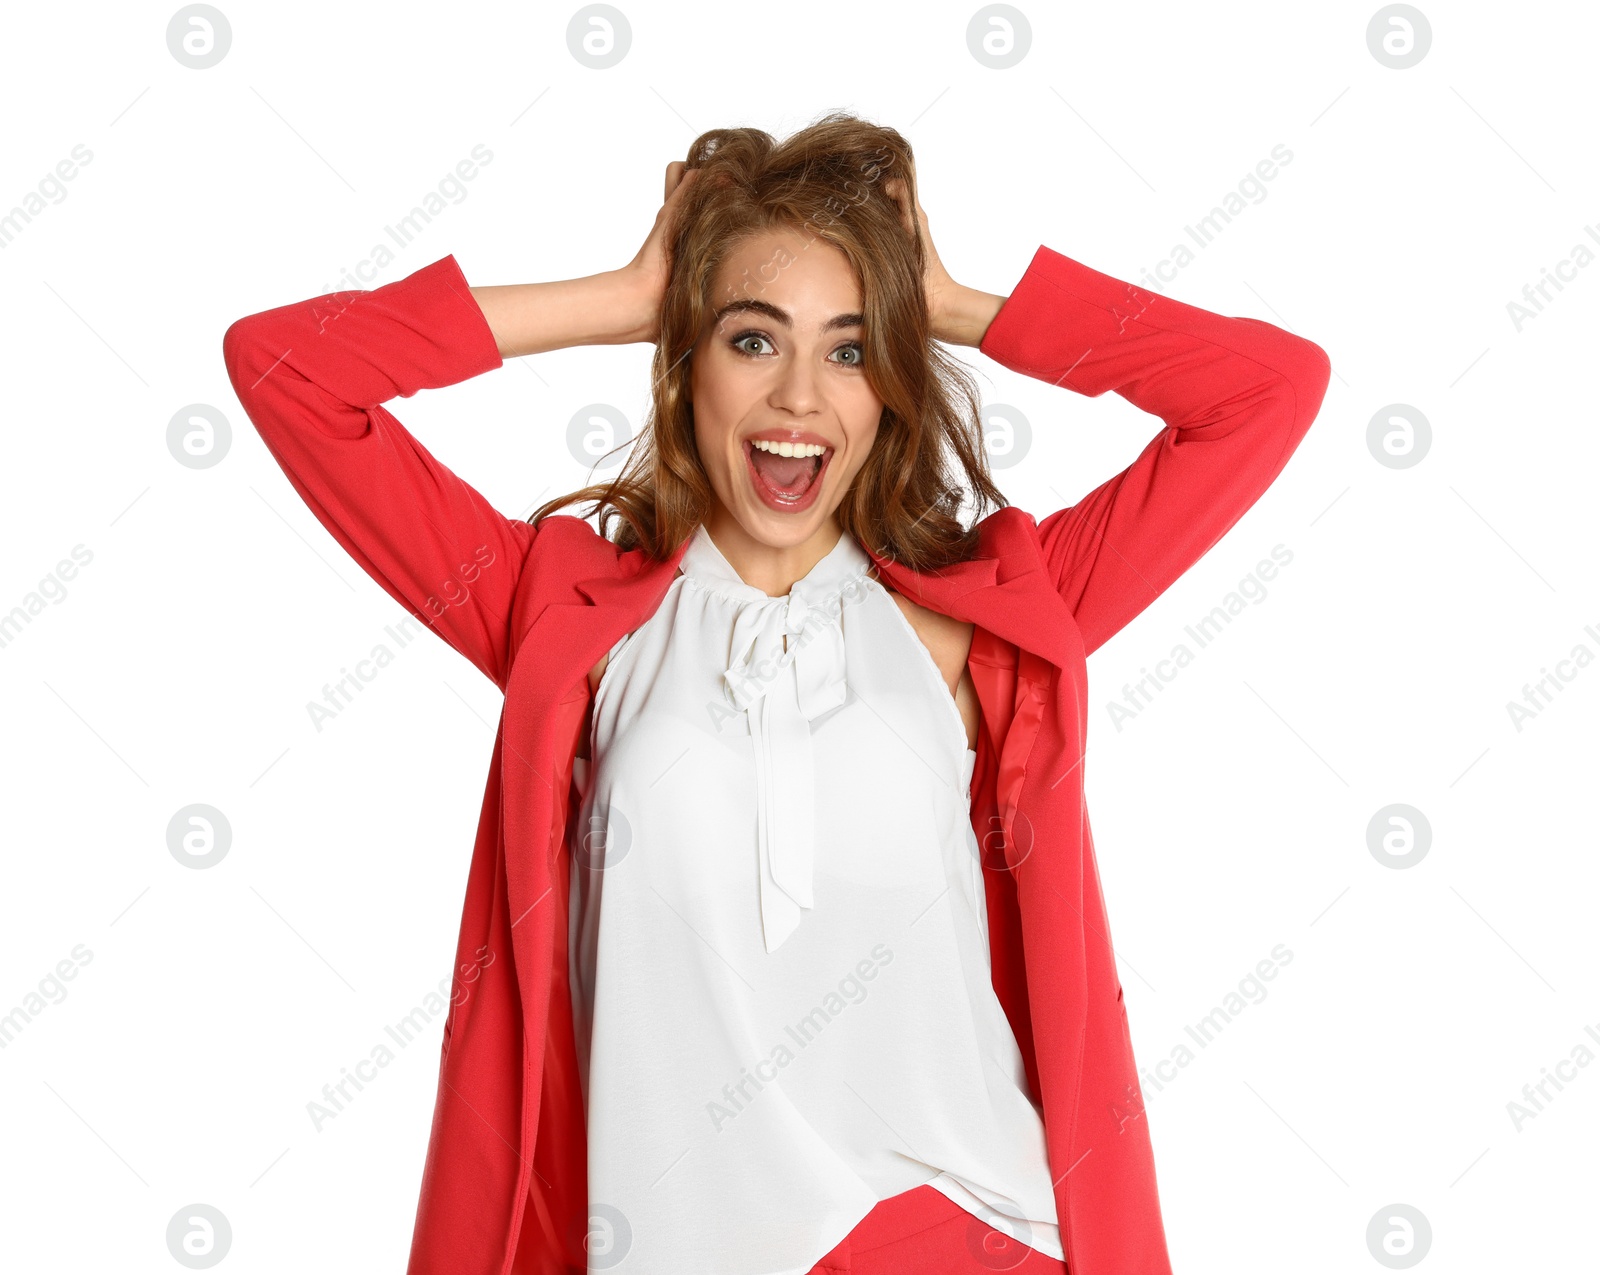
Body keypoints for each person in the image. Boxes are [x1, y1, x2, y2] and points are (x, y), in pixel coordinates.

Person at [222, 111, 1331, 1275]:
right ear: (685, 360)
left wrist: (945, 303)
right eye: (752, 341)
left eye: (852, 350)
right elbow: (288, 369)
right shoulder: (567, 619)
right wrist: (624, 295)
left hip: (967, 1241)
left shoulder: (981, 615)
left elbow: (1267, 391)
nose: (802, 394)